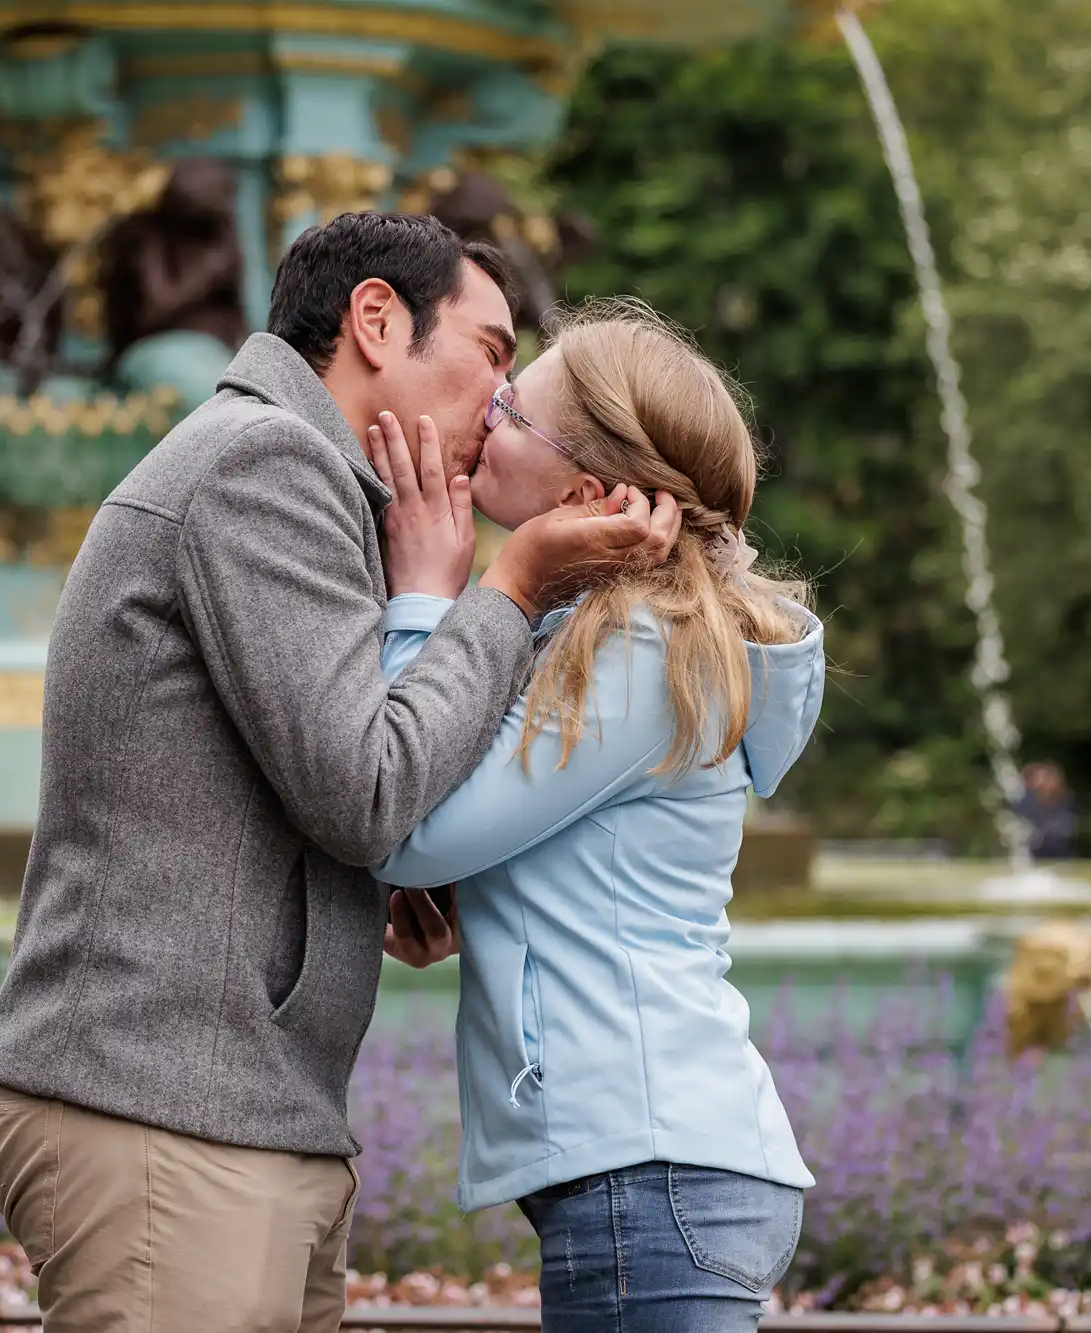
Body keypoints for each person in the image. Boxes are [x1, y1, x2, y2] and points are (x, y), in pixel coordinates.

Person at [0, 213, 680, 1333]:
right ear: (377, 321)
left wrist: (371, 891)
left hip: (230, 1112)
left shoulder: (315, 485)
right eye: (491, 353)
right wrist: (510, 588)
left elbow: (309, 779)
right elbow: (364, 791)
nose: (500, 400)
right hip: (165, 1108)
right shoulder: (267, 465)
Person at [370, 299, 826, 1333]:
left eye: (511, 409)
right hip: (656, 1169)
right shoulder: (607, 633)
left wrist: (424, 597)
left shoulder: (642, 648)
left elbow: (400, 818)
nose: (484, 412)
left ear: (583, 489)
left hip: (654, 1165)